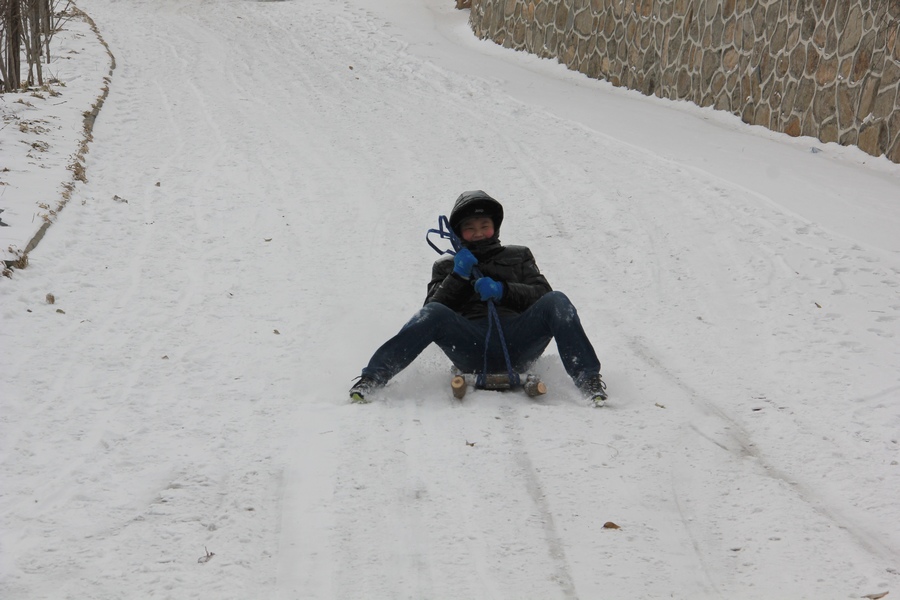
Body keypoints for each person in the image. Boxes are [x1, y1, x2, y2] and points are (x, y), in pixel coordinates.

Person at [350, 190, 608, 406]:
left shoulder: (519, 256)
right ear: (459, 233)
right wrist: (458, 276)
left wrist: (503, 290)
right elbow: (430, 311)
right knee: (434, 313)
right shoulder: (446, 266)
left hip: (517, 340)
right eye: (470, 228)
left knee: (558, 301)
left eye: (484, 226)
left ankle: (588, 379)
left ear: (494, 227)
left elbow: (542, 293)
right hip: (470, 345)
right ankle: (373, 378)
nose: (478, 233)